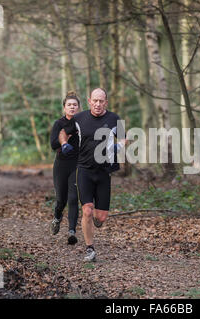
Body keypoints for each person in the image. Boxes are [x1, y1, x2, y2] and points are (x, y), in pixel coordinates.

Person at [59, 88, 125, 262]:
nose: (97, 104)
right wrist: (64, 143)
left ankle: (98, 219)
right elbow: (64, 131)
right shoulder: (79, 119)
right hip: (84, 171)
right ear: (89, 101)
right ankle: (90, 249)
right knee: (87, 210)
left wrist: (120, 146)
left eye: (101, 101)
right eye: (95, 100)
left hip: (104, 173)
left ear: (106, 103)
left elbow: (125, 138)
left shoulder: (114, 119)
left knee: (100, 216)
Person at [49, 91, 82, 245]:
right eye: (69, 105)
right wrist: (65, 140)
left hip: (77, 164)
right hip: (61, 165)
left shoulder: (82, 123)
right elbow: (53, 145)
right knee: (61, 199)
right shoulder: (59, 123)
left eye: (75, 105)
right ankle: (57, 217)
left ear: (79, 107)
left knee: (73, 197)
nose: (72, 107)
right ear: (64, 108)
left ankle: (72, 231)